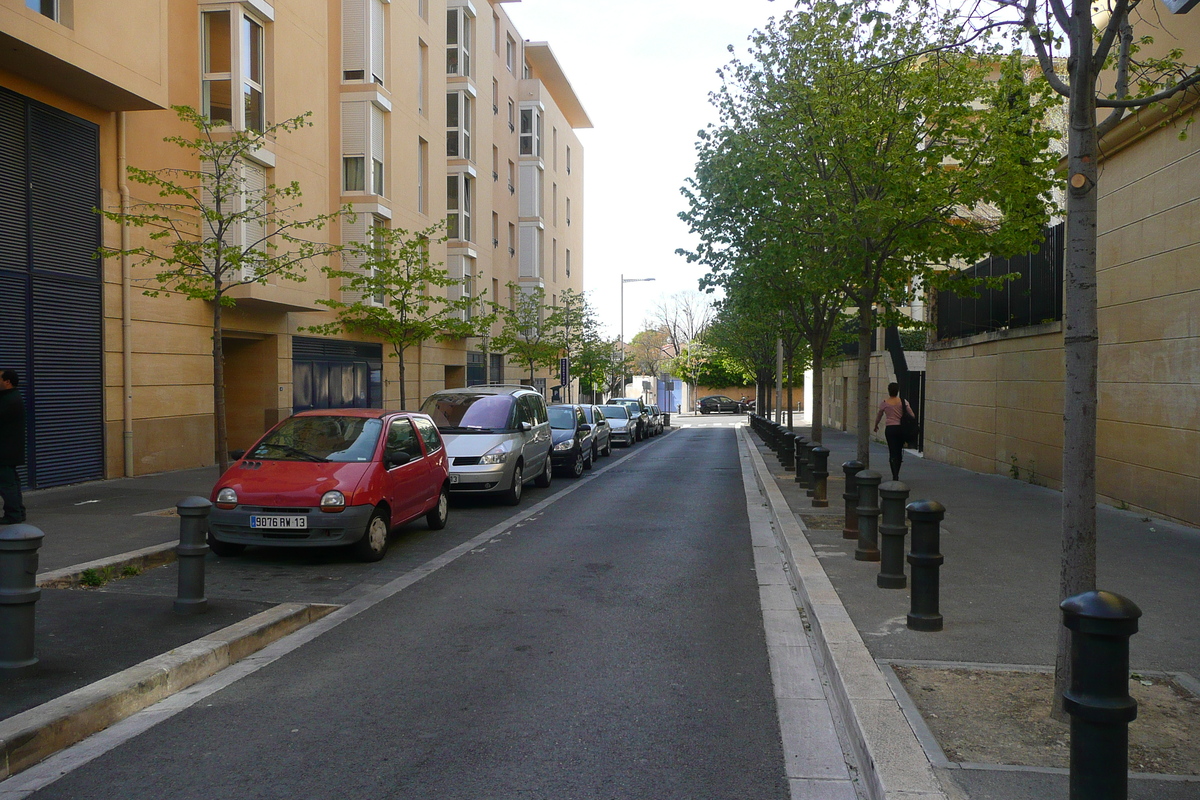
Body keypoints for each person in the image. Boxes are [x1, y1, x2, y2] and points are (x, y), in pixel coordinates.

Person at [0, 369, 27, 525]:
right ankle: (18, 511)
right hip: (10, 449)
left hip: (5, 450)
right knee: (12, 482)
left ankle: (13, 515)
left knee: (7, 484)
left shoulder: (10, 400)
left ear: (7, 382)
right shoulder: (10, 397)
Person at [873, 382, 914, 482]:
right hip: (901, 429)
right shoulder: (903, 402)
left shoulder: (884, 403)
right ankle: (897, 473)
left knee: (892, 451)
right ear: (897, 391)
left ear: (889, 391)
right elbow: (912, 415)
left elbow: (879, 415)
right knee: (899, 451)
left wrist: (876, 425)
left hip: (890, 429)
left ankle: (894, 474)